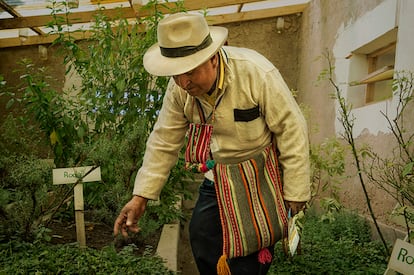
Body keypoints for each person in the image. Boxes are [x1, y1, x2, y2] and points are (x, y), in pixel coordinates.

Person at [114, 12, 311, 275]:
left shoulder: (255, 72)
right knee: (202, 234)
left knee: (251, 252)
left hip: (259, 175)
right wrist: (141, 197)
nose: (183, 82)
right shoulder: (179, 91)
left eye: (190, 71)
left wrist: (295, 191)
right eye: (175, 75)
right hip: (217, 175)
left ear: (214, 59)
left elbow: (291, 128)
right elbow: (163, 140)